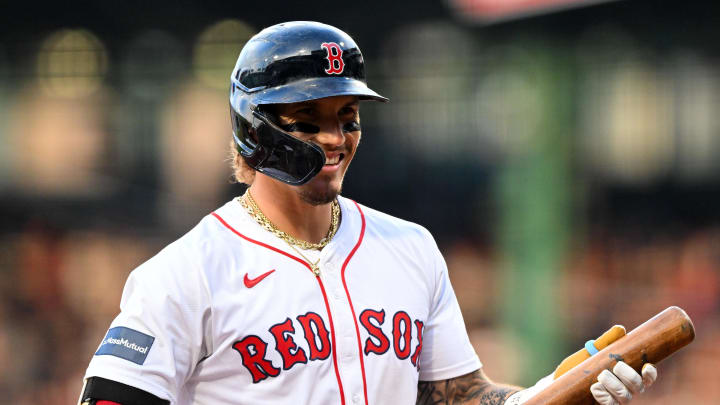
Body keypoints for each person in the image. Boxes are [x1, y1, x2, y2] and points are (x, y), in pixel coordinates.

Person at [79, 21, 657, 405]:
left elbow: (456, 394)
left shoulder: (408, 246)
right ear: (254, 126)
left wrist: (563, 390)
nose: (335, 138)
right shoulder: (185, 273)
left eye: (347, 115)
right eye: (310, 118)